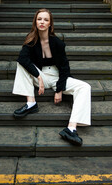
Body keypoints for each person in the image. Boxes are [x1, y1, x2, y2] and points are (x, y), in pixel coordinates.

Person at [12, 8, 91, 146]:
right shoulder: (31, 39)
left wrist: (59, 90)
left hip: (56, 76)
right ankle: (31, 103)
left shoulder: (57, 43)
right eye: (39, 19)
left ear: (50, 24)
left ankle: (71, 128)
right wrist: (38, 76)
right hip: (40, 75)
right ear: (35, 22)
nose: (42, 22)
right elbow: (23, 59)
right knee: (21, 64)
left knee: (85, 87)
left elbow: (65, 68)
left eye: (46, 20)